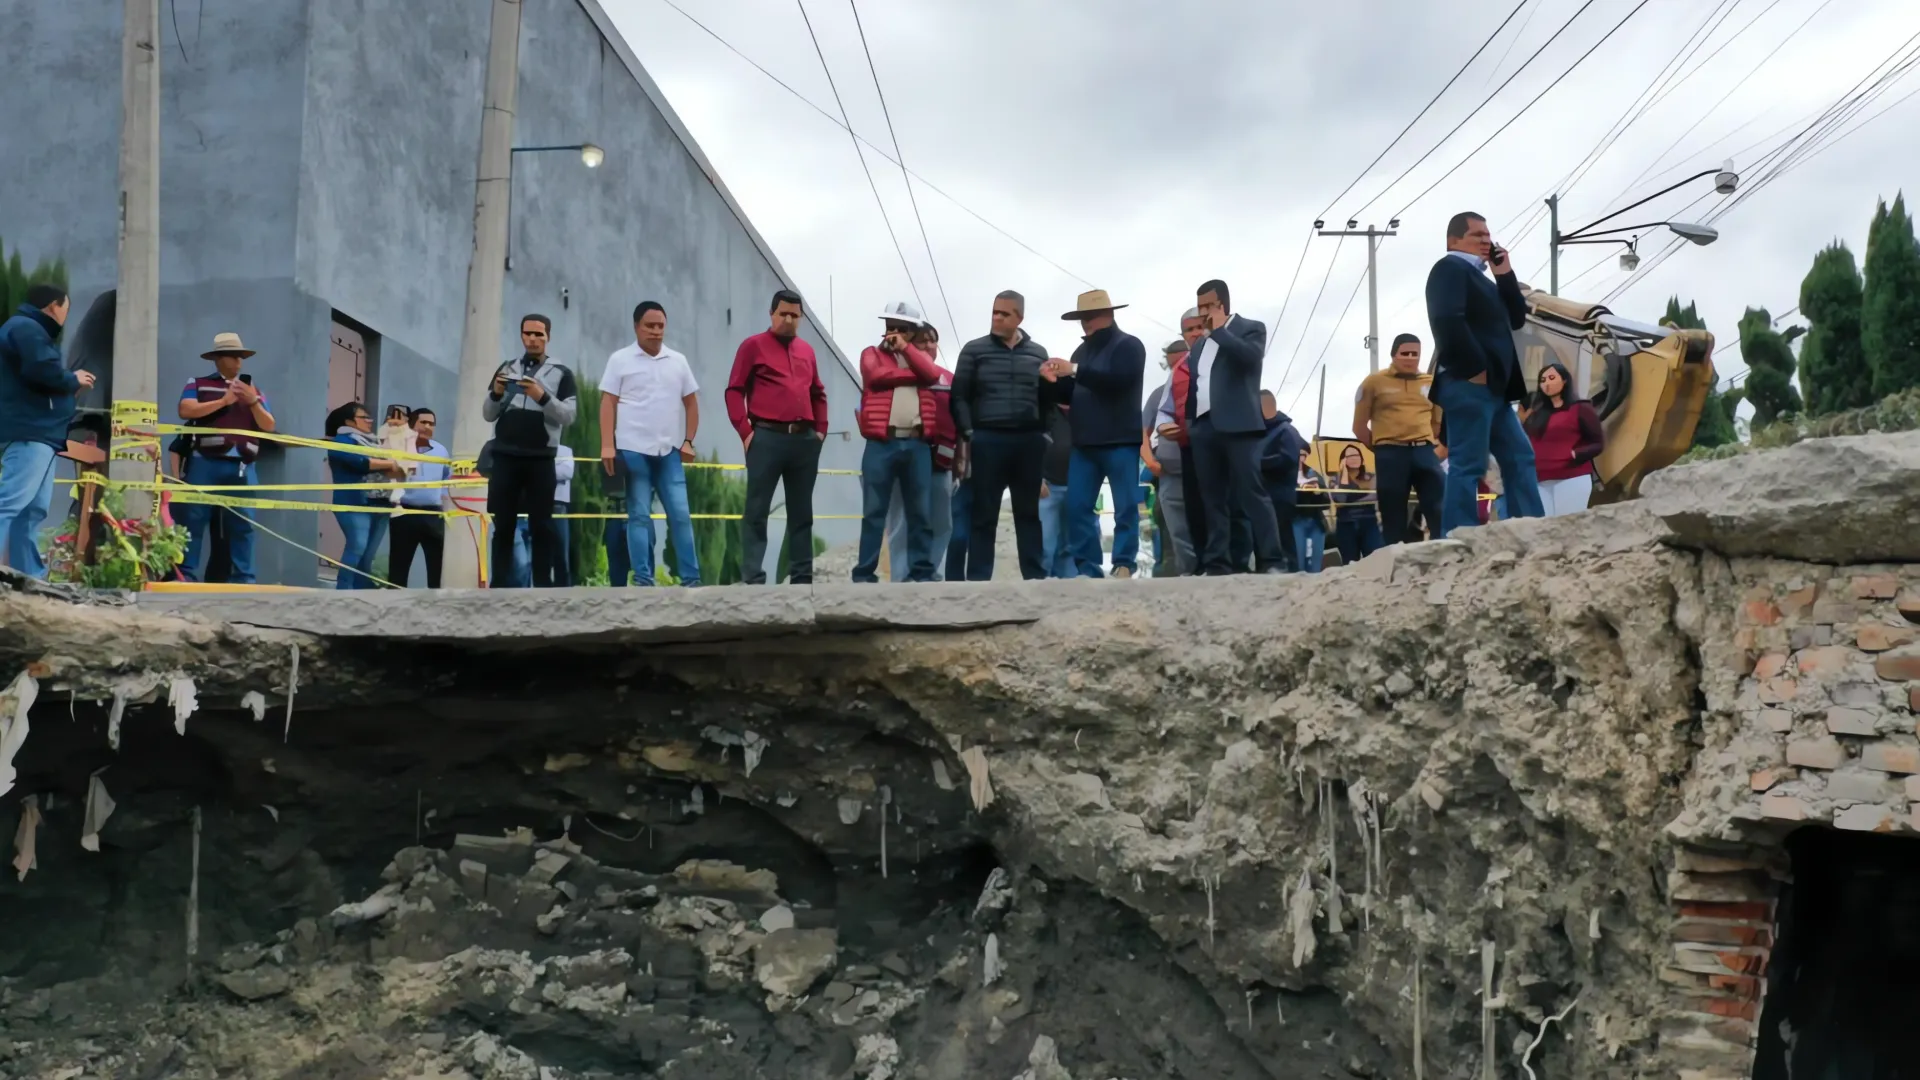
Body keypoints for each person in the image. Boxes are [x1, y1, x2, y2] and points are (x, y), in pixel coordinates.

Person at [1425, 212, 1543, 536]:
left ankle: (1530, 527)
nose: (1486, 240)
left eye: (1488, 235)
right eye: (1477, 235)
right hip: (1469, 383)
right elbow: (1447, 320)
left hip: (1495, 389)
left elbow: (1517, 317)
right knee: (1468, 462)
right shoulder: (1448, 268)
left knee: (1519, 455)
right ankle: (1458, 533)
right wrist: (1474, 369)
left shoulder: (1485, 280)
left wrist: (1503, 273)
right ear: (1454, 240)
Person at [1163, 281, 1284, 574]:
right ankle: (1218, 562)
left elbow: (1250, 358)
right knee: (1212, 498)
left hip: (1239, 426)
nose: (1203, 312)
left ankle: (1271, 560)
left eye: (1208, 306)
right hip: (1204, 429)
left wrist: (1219, 331)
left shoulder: (1251, 328)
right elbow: (1195, 384)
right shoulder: (1200, 345)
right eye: (1200, 306)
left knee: (1251, 493)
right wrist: (1189, 424)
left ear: (1223, 304)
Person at [950, 290, 1063, 580]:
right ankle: (978, 580)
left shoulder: (1037, 353)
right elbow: (958, 397)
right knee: (983, 515)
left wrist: (1044, 436)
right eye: (994, 312)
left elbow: (1047, 400)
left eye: (1004, 314)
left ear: (1019, 318)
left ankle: (1035, 578)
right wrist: (970, 433)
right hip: (987, 439)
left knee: (1028, 514)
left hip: (1028, 443)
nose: (997, 318)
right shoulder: (974, 350)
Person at [726, 289, 827, 585]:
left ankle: (802, 577)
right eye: (783, 313)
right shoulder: (752, 346)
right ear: (771, 314)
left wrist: (820, 431)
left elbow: (818, 392)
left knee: (801, 512)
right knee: (757, 509)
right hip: (766, 438)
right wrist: (745, 432)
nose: (788, 320)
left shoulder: (807, 351)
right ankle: (754, 577)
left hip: (803, 440)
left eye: (795, 315)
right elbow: (734, 390)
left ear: (801, 318)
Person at [600, 301, 702, 587]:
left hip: (668, 451)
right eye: (650, 326)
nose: (656, 332)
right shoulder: (620, 360)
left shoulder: (678, 361)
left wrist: (689, 441)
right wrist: (607, 445)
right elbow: (608, 402)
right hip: (632, 450)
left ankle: (691, 580)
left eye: (660, 326)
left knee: (680, 515)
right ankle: (644, 580)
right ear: (636, 327)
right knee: (639, 516)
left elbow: (692, 403)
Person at [1052, 290, 1146, 579]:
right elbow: (1071, 394)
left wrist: (1075, 370)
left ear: (1109, 314)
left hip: (1120, 440)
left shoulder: (1130, 346)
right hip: (1085, 443)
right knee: (1077, 506)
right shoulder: (1080, 353)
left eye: (1090, 317)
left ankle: (1124, 564)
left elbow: (1118, 381)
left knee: (1125, 506)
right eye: (1082, 318)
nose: (1085, 323)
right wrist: (1051, 382)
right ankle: (1087, 569)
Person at [0, 285, 92, 579]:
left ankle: (28, 578)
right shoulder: (26, 329)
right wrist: (71, 378)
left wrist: (67, 386)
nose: (67, 314)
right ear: (54, 305)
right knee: (11, 503)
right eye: (66, 307)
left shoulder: (27, 330)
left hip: (42, 434)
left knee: (31, 511)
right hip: (31, 431)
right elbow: (41, 370)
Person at [482, 313, 578, 588]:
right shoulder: (507, 367)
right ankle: (498, 583)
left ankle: (542, 585)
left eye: (539, 334)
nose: (533, 339)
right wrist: (497, 393)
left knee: (542, 525)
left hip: (540, 458)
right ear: (522, 335)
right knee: (503, 525)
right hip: (505, 456)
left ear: (548, 337)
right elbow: (488, 414)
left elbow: (569, 416)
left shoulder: (562, 373)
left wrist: (543, 397)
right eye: (528, 334)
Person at [853, 301, 944, 583]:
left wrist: (908, 352)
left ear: (912, 331)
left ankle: (922, 572)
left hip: (917, 445)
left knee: (920, 513)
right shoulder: (872, 354)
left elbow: (931, 374)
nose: (892, 332)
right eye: (889, 326)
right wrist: (911, 377)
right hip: (881, 443)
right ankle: (864, 574)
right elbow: (875, 376)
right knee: (873, 512)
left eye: (900, 328)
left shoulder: (920, 359)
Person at [176, 332, 275, 584]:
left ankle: (244, 579)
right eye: (233, 356)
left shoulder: (255, 390)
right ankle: (186, 576)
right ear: (218, 359)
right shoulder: (197, 383)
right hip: (204, 461)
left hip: (243, 464)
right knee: (193, 520)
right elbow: (185, 409)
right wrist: (224, 401)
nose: (239, 362)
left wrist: (253, 402)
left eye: (241, 356)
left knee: (243, 524)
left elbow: (269, 425)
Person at [1354, 333, 1446, 545]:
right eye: (1405, 353)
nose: (1410, 358)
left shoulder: (1430, 382)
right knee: (1392, 510)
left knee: (1438, 504)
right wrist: (1382, 448)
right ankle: (1394, 559)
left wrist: (1427, 445)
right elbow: (1359, 427)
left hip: (1424, 450)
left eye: (1415, 354)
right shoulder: (1374, 382)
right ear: (1394, 355)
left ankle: (1443, 550)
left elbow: (1437, 423)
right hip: (1390, 452)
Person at [885, 324, 958, 582]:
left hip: (941, 462)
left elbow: (959, 421)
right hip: (902, 458)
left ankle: (930, 574)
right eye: (922, 342)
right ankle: (902, 578)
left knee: (941, 522)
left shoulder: (950, 380)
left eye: (933, 341)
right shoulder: (895, 375)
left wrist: (960, 463)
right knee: (902, 522)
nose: (929, 346)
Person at [325, 402, 405, 589]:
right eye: (364, 417)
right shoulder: (341, 440)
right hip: (354, 502)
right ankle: (343, 590)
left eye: (370, 417)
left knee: (368, 554)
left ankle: (362, 591)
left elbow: (399, 469)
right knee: (357, 546)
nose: (369, 421)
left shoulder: (376, 441)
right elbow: (359, 461)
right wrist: (389, 464)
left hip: (381, 503)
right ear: (349, 421)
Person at [1521, 361, 1604, 517]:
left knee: (1567, 529)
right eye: (1543, 380)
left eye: (1552, 378)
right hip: (1539, 480)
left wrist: (1575, 454)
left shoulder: (1581, 408)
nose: (1546, 384)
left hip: (1572, 478)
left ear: (1564, 380)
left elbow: (1597, 443)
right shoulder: (1536, 414)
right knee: (1544, 530)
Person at [390, 407, 450, 588]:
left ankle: (436, 607)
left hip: (434, 514)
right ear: (411, 424)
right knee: (399, 567)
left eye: (432, 424)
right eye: (423, 422)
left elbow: (447, 479)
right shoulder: (397, 448)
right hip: (404, 513)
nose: (428, 427)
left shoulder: (441, 451)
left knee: (438, 568)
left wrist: (445, 508)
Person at [1255, 390, 1308, 571]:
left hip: (1280, 496)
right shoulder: (1260, 433)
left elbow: (1287, 459)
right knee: (1266, 541)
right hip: (1262, 496)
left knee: (1282, 540)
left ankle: (1290, 573)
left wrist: (1255, 463)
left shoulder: (1286, 431)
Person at [1036, 401, 1076, 578]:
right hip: (1047, 487)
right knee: (1044, 545)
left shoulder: (1087, 407)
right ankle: (1041, 586)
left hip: (1079, 486)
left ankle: (1068, 594)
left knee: (1071, 546)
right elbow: (1029, 443)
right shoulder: (1042, 407)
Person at [1330, 444, 1384, 564]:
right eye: (1349, 456)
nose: (1354, 458)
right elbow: (1340, 500)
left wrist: (1350, 501)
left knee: (1375, 561)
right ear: (1343, 460)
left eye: (1357, 455)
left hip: (1369, 522)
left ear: (1362, 459)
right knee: (1349, 564)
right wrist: (1343, 473)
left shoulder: (1371, 477)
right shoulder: (1335, 479)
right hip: (1346, 524)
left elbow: (1374, 496)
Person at [1292, 450, 1331, 574]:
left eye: (1302, 455)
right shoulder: (1285, 474)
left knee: (1316, 566)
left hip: (1316, 522)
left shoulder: (1314, 474)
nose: (1299, 458)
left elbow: (1327, 503)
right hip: (1295, 521)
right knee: (1298, 564)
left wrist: (1317, 493)